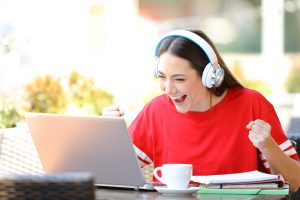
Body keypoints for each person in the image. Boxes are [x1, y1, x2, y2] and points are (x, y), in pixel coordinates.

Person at [102, 30, 300, 192]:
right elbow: (112, 175)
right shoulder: (156, 110)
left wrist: (268, 146)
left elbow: (294, 183)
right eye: (162, 77)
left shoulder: (252, 104)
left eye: (179, 79)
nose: (168, 89)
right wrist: (109, 136)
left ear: (210, 76)